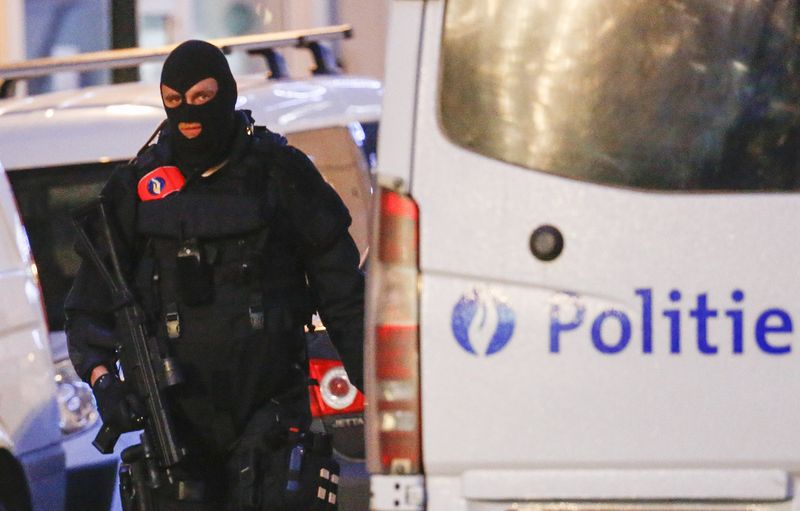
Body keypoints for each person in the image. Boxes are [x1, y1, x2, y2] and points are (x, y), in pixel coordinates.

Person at [64, 40, 364, 510]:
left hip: (270, 413)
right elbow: (88, 308)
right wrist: (105, 383)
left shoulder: (279, 174)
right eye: (174, 100)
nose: (188, 114)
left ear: (225, 94)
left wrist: (386, 393)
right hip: (174, 427)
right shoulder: (136, 192)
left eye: (202, 99)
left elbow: (345, 296)